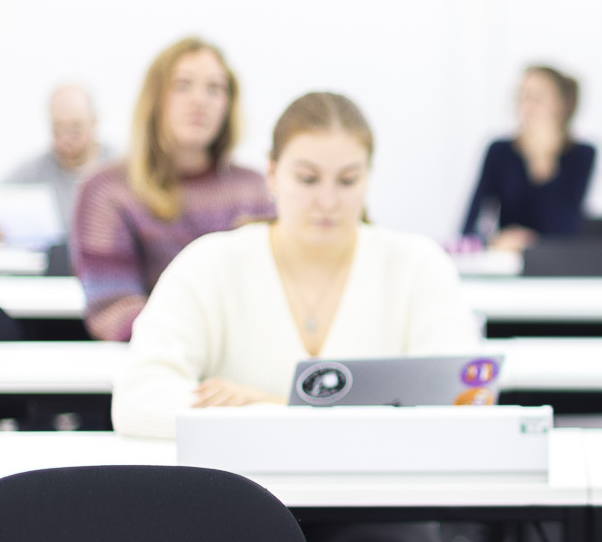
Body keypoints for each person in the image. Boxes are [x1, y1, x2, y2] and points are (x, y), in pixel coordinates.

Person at [112, 90, 479, 440]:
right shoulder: (209, 265)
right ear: (271, 175)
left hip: (384, 500)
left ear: (368, 177)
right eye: (307, 178)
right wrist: (329, 420)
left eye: (348, 180)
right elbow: (138, 400)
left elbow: (461, 399)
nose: (327, 201)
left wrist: (267, 406)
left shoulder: (418, 266)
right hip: (246, 500)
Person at [72, 38, 273, 341]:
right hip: (157, 359)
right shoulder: (107, 190)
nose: (199, 100)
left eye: (215, 89)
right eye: (183, 85)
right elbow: (113, 309)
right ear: (155, 98)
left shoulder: (255, 188)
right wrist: (207, 334)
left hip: (247, 360)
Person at [0, 84, 115, 244]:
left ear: (94, 121)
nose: (66, 139)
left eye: (75, 128)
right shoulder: (35, 169)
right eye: (57, 128)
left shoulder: (119, 169)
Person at [460, 66, 597, 251]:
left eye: (537, 99)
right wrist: (493, 241)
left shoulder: (581, 155)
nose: (527, 107)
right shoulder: (499, 151)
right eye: (522, 97)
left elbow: (566, 231)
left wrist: (543, 162)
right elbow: (469, 226)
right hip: (507, 260)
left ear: (561, 105)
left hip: (557, 265)